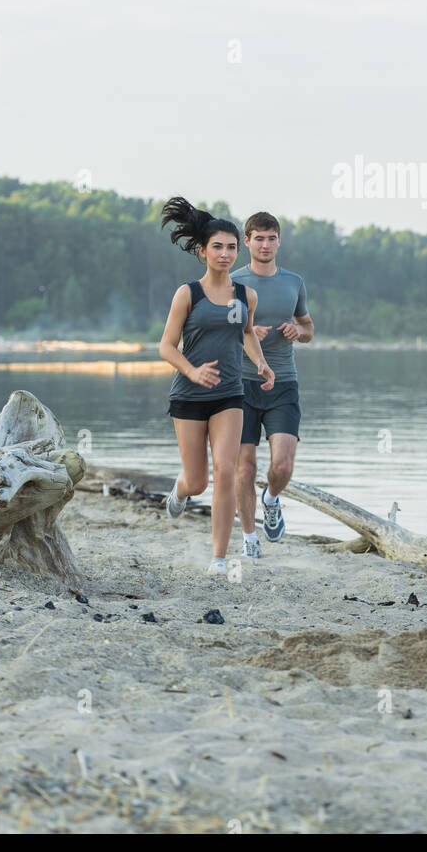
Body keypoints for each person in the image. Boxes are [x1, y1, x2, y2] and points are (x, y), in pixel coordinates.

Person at [158, 197, 275, 576]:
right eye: (217, 247)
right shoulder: (187, 294)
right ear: (202, 251)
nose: (225, 254)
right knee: (197, 480)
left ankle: (219, 559)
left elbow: (244, 334)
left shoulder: (246, 296)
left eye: (230, 247)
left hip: (229, 394)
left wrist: (260, 362)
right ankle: (179, 492)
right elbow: (165, 346)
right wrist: (191, 372)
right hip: (189, 397)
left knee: (227, 470)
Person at [231, 211, 313, 557]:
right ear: (247, 242)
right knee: (244, 467)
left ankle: (272, 499)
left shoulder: (294, 282)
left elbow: (308, 328)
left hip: (283, 383)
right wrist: (247, 332)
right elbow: (214, 332)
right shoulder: (232, 281)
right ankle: (250, 538)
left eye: (272, 238)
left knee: (282, 466)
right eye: (258, 238)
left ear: (279, 241)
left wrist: (299, 331)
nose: (265, 244)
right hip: (240, 385)